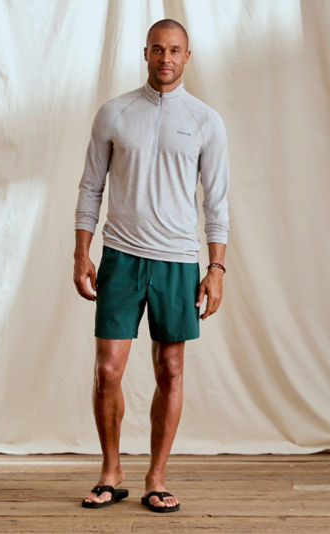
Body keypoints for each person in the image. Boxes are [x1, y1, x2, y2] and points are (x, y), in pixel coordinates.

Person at [73, 18, 229, 513]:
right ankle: (111, 470)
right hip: (120, 255)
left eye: (175, 51)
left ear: (187, 57)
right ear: (145, 53)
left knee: (171, 368)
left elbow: (217, 203)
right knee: (108, 370)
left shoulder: (206, 121)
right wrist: (82, 252)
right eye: (158, 50)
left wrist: (217, 268)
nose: (166, 59)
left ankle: (156, 477)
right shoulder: (115, 112)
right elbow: (90, 187)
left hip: (178, 261)